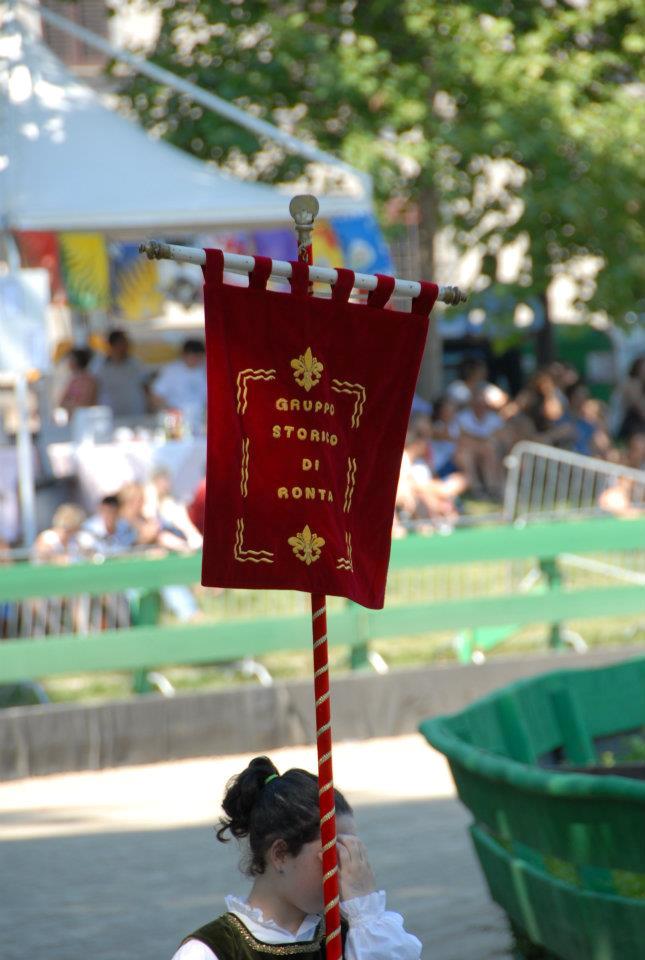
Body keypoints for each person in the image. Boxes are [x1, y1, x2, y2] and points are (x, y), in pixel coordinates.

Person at [171, 756, 421, 960]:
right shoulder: (212, 951)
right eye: (333, 855)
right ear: (280, 854)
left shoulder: (354, 939)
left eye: (350, 853)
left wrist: (367, 913)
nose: (346, 871)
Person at [151, 339, 208, 434]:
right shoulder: (171, 371)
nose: (195, 360)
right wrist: (170, 412)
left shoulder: (206, 369)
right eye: (192, 357)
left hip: (202, 421)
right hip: (176, 422)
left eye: (198, 357)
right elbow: (156, 395)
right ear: (184, 355)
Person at [94, 329, 148, 418]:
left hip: (136, 413)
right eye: (122, 343)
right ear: (113, 345)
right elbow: (93, 387)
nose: (127, 346)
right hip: (110, 414)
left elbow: (145, 386)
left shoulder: (136, 363)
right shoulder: (99, 365)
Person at [59, 347, 98, 413]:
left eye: (71, 359)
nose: (68, 362)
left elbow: (86, 403)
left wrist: (70, 404)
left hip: (85, 418)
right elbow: (61, 402)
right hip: (74, 419)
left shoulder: (90, 381)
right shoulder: (72, 380)